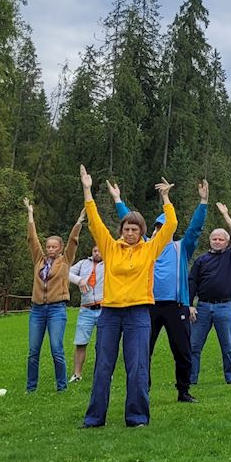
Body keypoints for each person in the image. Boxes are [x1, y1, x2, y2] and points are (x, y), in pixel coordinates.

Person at [78, 165, 177, 428]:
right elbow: (95, 222)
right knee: (103, 368)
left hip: (138, 313)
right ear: (121, 231)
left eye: (135, 229)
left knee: (137, 367)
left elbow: (171, 226)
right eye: (126, 229)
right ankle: (94, 418)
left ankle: (136, 417)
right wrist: (87, 190)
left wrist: (166, 198)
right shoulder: (110, 248)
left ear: (141, 231)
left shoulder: (150, 250)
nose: (130, 233)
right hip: (109, 313)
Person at [112, 179, 206, 403]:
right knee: (144, 352)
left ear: (170, 231)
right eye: (156, 227)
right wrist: (117, 199)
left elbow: (195, 228)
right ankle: (144, 390)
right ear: (152, 230)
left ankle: (183, 391)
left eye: (164, 228)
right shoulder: (145, 247)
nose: (159, 231)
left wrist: (203, 201)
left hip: (176, 306)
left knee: (182, 351)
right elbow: (130, 222)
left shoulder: (180, 247)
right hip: (149, 305)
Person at [188, 198, 231, 384]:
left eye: (220, 239)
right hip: (203, 308)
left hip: (224, 307)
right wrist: (190, 305)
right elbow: (191, 283)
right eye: (214, 239)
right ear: (210, 240)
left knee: (228, 347)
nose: (217, 241)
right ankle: (191, 379)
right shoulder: (201, 260)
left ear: (226, 242)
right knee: (194, 346)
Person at [24, 198, 83, 393]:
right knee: (33, 352)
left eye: (53, 247)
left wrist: (79, 222)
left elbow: (73, 241)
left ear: (59, 248)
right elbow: (32, 240)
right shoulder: (39, 260)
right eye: (48, 246)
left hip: (57, 309)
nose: (49, 249)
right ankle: (31, 388)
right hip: (37, 310)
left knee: (56, 349)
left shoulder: (65, 260)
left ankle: (62, 387)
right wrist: (30, 214)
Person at [67, 244, 104, 381]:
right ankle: (77, 374)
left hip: (104, 308)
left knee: (103, 344)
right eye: (94, 250)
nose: (97, 253)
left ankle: (104, 374)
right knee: (80, 343)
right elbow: (65, 271)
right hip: (86, 309)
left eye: (99, 250)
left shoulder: (109, 262)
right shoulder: (83, 263)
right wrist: (79, 280)